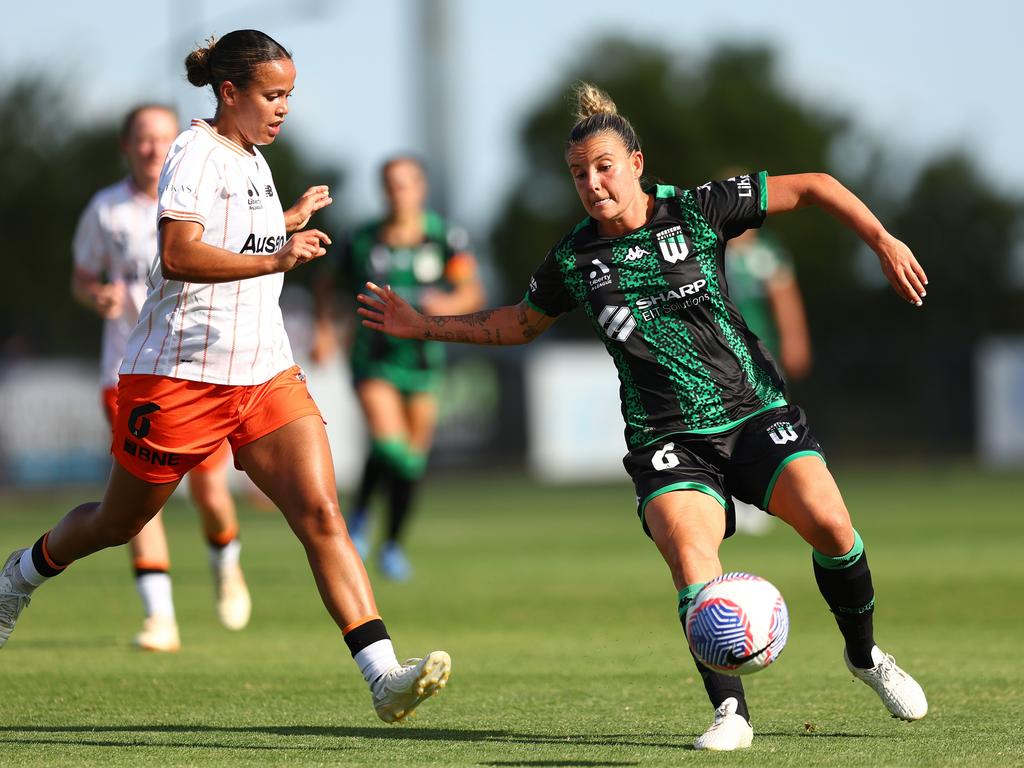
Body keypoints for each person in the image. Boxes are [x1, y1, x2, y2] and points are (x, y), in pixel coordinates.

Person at [355, 82, 928, 749]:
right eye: (577, 174)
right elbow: (518, 323)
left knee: (832, 526)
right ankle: (731, 716)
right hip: (666, 440)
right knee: (691, 557)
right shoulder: (574, 258)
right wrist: (422, 325)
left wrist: (882, 240)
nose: (592, 183)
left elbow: (817, 185)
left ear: (635, 162)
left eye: (602, 166)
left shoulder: (699, 210)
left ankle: (865, 658)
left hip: (751, 413)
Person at [0, 29, 450, 724]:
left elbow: (237, 239)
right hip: (179, 379)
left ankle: (384, 676)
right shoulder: (194, 153)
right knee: (118, 523)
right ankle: (20, 576)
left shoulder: (252, 156)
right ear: (230, 92)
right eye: (273, 95)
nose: (284, 108)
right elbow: (180, 255)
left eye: (290, 96)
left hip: (264, 372)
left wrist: (285, 222)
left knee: (322, 514)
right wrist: (279, 255)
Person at [72, 104, 250, 652]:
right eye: (142, 139)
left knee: (210, 489)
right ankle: (161, 618)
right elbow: (83, 277)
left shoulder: (205, 194)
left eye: (161, 138)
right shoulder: (106, 210)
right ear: (127, 146)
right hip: (127, 370)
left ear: (177, 144)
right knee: (138, 498)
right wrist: (95, 294)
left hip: (198, 367)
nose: (152, 148)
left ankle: (227, 565)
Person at [313, 155, 484, 579]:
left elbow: (471, 292)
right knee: (389, 444)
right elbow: (327, 284)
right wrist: (323, 329)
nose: (398, 192)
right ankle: (361, 521)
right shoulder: (362, 239)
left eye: (406, 183)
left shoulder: (444, 238)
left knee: (409, 462)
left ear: (421, 188)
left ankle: (390, 544)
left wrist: (448, 305)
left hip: (424, 358)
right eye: (390, 184)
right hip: (374, 356)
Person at [725, 219, 813, 535]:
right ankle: (732, 497)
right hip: (720, 352)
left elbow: (785, 297)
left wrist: (795, 339)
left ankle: (761, 497)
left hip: (760, 350)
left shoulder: (766, 252)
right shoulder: (710, 248)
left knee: (767, 423)